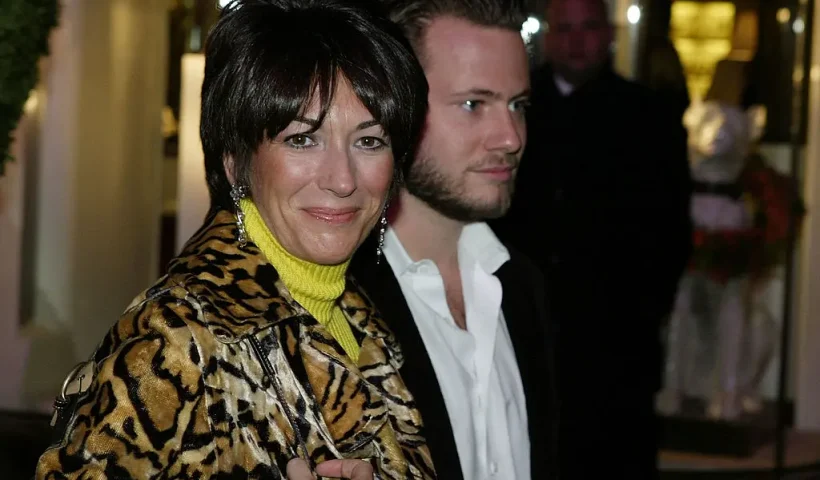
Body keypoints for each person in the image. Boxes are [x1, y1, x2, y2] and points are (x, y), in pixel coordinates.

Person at [34, 0, 432, 478]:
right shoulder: (178, 336)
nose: (343, 179)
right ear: (235, 161)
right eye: (302, 139)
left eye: (370, 141)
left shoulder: (361, 321)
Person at [350, 0, 558, 479]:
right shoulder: (340, 300)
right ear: (394, 106)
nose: (510, 137)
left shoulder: (522, 286)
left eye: (518, 105)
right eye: (473, 104)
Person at [491, 0, 693, 477]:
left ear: (608, 34)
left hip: (618, 331)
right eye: (565, 29)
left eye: (588, 28)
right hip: (527, 323)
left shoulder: (649, 113)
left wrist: (648, 304)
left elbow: (671, 225)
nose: (577, 40)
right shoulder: (516, 108)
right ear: (546, 36)